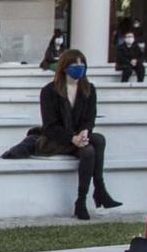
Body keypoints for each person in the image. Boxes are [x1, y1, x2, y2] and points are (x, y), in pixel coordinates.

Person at [35, 50, 122, 220]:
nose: (79, 69)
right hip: (56, 139)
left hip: (78, 137)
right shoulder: (49, 91)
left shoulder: (88, 89)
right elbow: (50, 126)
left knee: (98, 139)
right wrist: (72, 138)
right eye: (75, 65)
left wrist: (84, 132)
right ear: (64, 67)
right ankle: (82, 200)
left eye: (82, 65)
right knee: (88, 151)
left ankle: (99, 188)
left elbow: (90, 118)